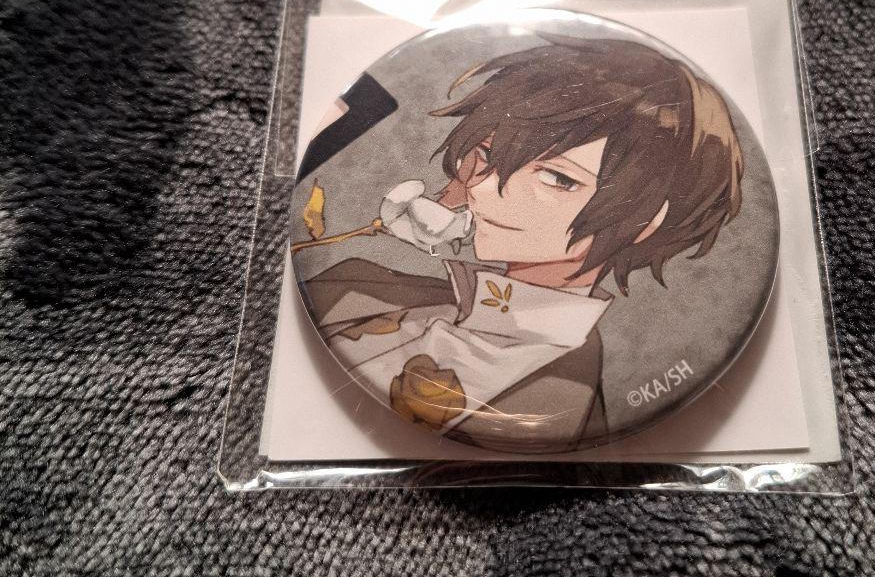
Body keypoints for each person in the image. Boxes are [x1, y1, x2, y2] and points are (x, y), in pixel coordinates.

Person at [299, 33, 743, 453]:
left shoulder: (564, 399)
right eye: (487, 154)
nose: (484, 187)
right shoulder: (357, 280)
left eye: (558, 178)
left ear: (645, 219)